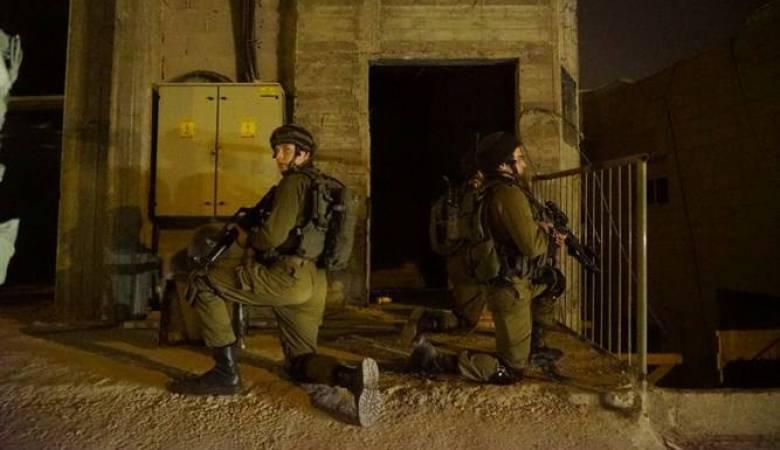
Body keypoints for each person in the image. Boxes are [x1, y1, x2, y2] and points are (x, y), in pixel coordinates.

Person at [170, 124, 381, 427]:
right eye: (276, 150)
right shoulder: (322, 186)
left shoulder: (293, 183)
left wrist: (246, 238)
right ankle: (350, 376)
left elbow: (270, 237)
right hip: (314, 282)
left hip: (286, 276)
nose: (277, 156)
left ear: (303, 155)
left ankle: (224, 374)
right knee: (298, 362)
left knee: (203, 280)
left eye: (284, 149)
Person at [409, 131, 564, 384]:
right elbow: (533, 247)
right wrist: (547, 234)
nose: (524, 164)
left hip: (506, 280)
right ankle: (434, 361)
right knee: (510, 370)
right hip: (511, 287)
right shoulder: (508, 194)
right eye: (519, 158)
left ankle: (533, 347)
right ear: (503, 163)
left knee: (554, 282)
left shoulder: (490, 191)